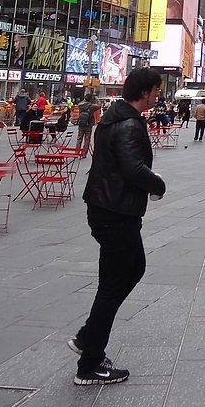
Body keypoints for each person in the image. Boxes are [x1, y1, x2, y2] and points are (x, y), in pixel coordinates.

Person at [69, 66, 166, 385]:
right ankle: (90, 362)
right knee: (113, 283)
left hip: (107, 208)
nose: (158, 94)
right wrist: (157, 184)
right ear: (144, 92)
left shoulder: (115, 118)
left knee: (133, 268)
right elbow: (133, 168)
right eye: (155, 89)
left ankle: (88, 336)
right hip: (115, 212)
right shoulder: (127, 124)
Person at [77, 92, 101, 157]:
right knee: (87, 139)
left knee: (79, 138)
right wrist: (96, 99)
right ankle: (84, 153)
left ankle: (77, 152)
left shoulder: (80, 105)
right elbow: (99, 105)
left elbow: (82, 102)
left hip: (81, 124)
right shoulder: (92, 106)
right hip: (89, 124)